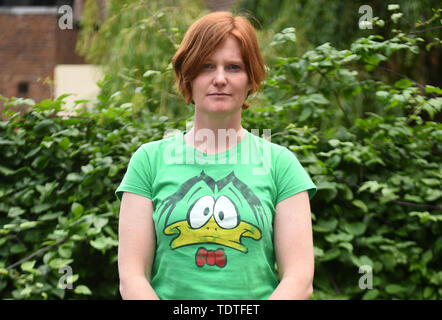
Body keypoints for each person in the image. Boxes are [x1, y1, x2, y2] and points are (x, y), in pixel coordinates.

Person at [115, 11, 317, 300]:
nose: (220, 79)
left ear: (251, 79)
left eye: (234, 67)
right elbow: (132, 277)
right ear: (188, 77)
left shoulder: (281, 166)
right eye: (207, 66)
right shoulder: (148, 162)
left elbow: (299, 279)